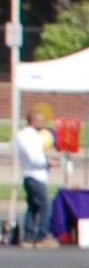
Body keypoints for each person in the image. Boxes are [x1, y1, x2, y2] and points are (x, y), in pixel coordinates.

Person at [13, 102, 55, 243]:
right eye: (40, 121)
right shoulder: (31, 136)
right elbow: (35, 157)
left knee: (32, 206)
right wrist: (46, 162)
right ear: (33, 121)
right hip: (36, 175)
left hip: (28, 175)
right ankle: (41, 235)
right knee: (44, 207)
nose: (43, 124)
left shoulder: (21, 135)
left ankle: (28, 234)